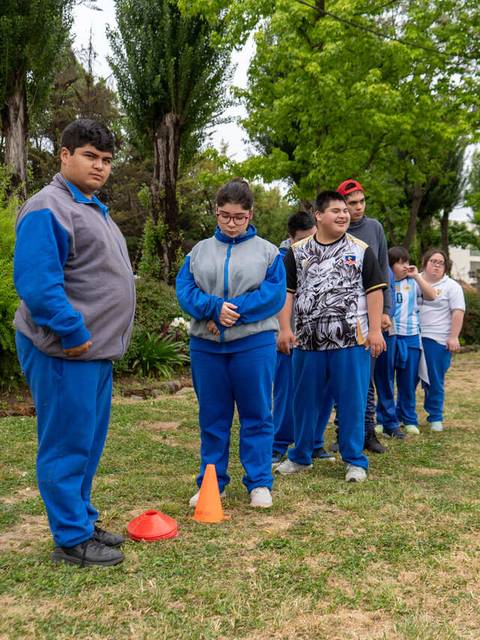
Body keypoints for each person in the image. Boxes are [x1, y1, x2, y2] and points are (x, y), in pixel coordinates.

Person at [14, 119, 135, 567]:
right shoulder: (48, 206)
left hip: (93, 353)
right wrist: (74, 331)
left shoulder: (92, 207)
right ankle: (71, 539)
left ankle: (81, 520)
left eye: (106, 160)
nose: (100, 166)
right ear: (64, 156)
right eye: (90, 156)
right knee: (66, 444)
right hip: (67, 350)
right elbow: (37, 283)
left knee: (86, 442)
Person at [176, 179, 286, 508]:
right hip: (206, 346)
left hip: (253, 344)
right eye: (225, 216)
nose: (232, 223)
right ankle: (212, 482)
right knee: (213, 416)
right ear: (216, 213)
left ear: (250, 214)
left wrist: (231, 313)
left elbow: (273, 295)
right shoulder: (198, 252)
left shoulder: (268, 252)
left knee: (256, 413)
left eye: (239, 217)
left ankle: (259, 483)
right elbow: (185, 290)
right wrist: (212, 308)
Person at [274, 190, 386, 482]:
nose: (343, 215)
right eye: (335, 210)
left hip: (351, 341)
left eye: (345, 210)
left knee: (351, 401)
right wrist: (285, 328)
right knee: (303, 402)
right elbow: (287, 293)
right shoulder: (297, 252)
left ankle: (354, 460)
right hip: (307, 341)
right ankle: (300, 456)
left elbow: (375, 291)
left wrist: (375, 331)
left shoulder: (361, 249)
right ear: (318, 215)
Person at [329, 179, 392, 454]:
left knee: (366, 380)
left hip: (369, 314)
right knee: (342, 379)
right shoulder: (335, 228)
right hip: (340, 314)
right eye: (351, 203)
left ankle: (368, 432)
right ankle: (343, 432)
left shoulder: (374, 228)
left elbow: (383, 269)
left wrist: (386, 311)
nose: (357, 208)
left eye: (361, 202)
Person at [272, 211, 335, 464]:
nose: (310, 242)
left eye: (313, 236)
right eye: (303, 238)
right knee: (286, 393)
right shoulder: (279, 259)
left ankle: (314, 442)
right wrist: (283, 330)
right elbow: (278, 298)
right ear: (290, 238)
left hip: (323, 336)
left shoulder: (328, 251)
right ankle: (279, 443)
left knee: (322, 392)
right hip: (290, 337)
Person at [389, 246, 436, 434]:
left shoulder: (414, 282)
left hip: (411, 338)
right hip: (390, 337)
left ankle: (409, 419)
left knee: (408, 381)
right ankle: (386, 418)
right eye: (399, 263)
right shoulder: (385, 282)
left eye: (406, 262)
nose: (404, 266)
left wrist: (417, 276)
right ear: (390, 265)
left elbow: (432, 296)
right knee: (385, 382)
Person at [417, 249, 465, 431]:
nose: (436, 265)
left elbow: (458, 312)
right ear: (425, 262)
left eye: (441, 262)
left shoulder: (452, 286)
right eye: (433, 261)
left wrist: (453, 337)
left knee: (434, 380)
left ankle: (435, 417)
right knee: (408, 381)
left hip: (436, 339)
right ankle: (403, 416)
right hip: (413, 337)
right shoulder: (414, 280)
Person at [374, 265, 404, 438]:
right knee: (362, 383)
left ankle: (390, 423)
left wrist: (384, 317)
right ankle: (363, 426)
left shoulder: (386, 268)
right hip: (360, 330)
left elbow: (390, 297)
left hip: (386, 330)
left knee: (385, 379)